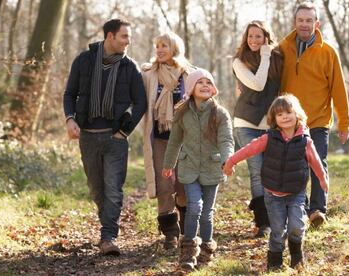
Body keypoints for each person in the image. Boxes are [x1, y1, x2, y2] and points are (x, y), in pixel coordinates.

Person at [63, 19, 147, 256]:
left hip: (115, 138)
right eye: (124, 37)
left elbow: (140, 102)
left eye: (129, 37)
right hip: (88, 136)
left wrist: (125, 131)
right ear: (110, 36)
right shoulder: (84, 60)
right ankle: (106, 227)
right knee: (96, 188)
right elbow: (70, 93)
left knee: (113, 188)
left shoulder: (130, 67)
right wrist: (70, 119)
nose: (128, 41)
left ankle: (108, 236)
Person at [223, 95, 329, 270]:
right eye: (280, 114)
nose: (285, 117)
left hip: (296, 193)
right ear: (274, 119)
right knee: (277, 231)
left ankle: (296, 256)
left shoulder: (305, 141)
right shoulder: (268, 138)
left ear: (297, 114)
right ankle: (275, 263)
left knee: (296, 227)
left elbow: (316, 161)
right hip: (273, 194)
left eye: (289, 112)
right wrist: (231, 161)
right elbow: (249, 149)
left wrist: (323, 179)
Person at [279, 2, 349, 227]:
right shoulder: (283, 48)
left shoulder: (328, 52)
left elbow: (338, 89)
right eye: (300, 20)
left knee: (317, 162)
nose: (304, 24)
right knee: (294, 166)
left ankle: (318, 210)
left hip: (318, 120)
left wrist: (344, 122)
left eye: (309, 20)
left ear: (316, 23)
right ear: (294, 22)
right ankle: (302, 207)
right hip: (291, 121)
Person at [162, 69, 234, 270]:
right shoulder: (182, 112)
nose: (204, 85)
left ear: (213, 89)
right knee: (195, 206)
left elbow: (226, 140)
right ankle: (187, 253)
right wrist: (168, 164)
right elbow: (175, 140)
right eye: (199, 82)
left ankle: (206, 251)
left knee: (207, 213)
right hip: (190, 167)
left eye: (208, 82)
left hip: (212, 167)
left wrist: (228, 160)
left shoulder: (220, 113)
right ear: (191, 88)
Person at [141, 32, 194, 249]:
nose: (160, 50)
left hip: (184, 140)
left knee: (183, 187)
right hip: (160, 139)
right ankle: (170, 233)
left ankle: (185, 229)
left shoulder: (189, 75)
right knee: (164, 186)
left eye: (165, 45)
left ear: (175, 48)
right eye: (157, 46)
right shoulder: (149, 74)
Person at [232, 20, 284, 237]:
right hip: (246, 124)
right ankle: (263, 223)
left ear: (266, 39)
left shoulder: (278, 60)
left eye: (258, 36)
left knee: (272, 171)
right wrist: (265, 55)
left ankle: (277, 218)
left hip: (270, 125)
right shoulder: (238, 61)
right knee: (257, 171)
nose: (253, 40)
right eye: (250, 36)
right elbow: (258, 84)